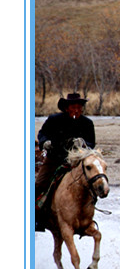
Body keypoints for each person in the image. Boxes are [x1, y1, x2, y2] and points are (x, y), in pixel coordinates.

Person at [36, 92, 97, 229]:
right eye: (73, 107)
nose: (76, 110)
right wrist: (45, 142)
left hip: (77, 163)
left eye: (79, 107)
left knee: (95, 184)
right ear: (67, 108)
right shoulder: (54, 120)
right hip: (54, 160)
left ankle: (87, 215)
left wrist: (82, 143)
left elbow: (91, 144)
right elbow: (42, 134)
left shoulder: (87, 123)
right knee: (39, 185)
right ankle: (35, 217)